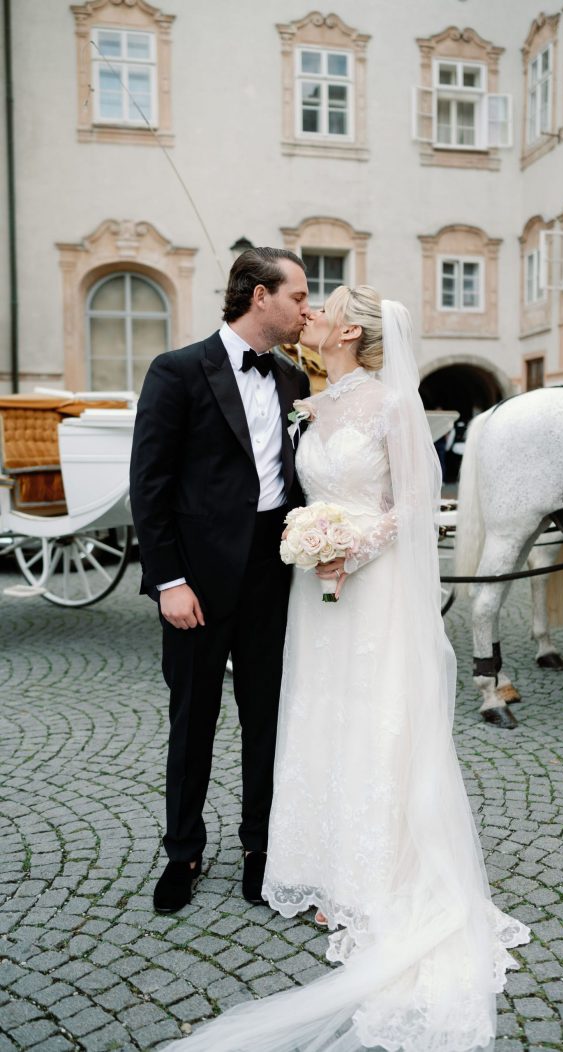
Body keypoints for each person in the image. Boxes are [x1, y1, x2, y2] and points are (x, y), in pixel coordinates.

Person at [164, 286, 529, 1052]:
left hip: (372, 586)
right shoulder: (308, 399)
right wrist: (312, 541)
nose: (311, 315)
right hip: (311, 590)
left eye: (321, 306)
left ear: (352, 329)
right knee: (316, 711)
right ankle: (320, 862)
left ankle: (372, 873)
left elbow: (415, 504)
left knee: (374, 714)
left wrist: (353, 547)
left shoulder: (392, 405)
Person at [129, 247, 310, 914]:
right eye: (297, 295)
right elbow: (149, 486)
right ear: (260, 295)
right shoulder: (177, 371)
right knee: (192, 720)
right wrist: (169, 581)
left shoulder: (294, 379)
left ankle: (261, 849)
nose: (306, 308)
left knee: (267, 719)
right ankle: (183, 851)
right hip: (198, 580)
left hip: (273, 573)